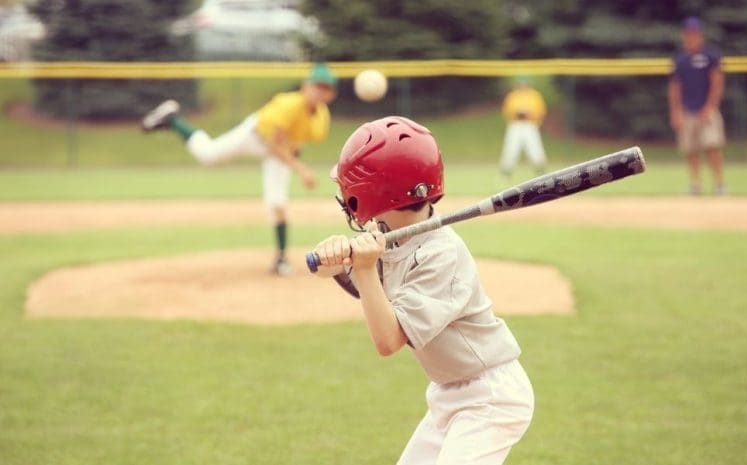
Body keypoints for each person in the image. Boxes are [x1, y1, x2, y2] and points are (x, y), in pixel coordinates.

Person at [312, 116, 534, 464]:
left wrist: (365, 266)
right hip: (449, 393)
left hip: (490, 398)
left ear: (374, 192)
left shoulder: (441, 254)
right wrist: (340, 263)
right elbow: (365, 290)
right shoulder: (391, 234)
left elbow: (388, 340)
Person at [141, 63, 338, 275]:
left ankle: (281, 260)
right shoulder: (289, 104)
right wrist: (301, 169)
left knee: (277, 202)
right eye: (316, 86)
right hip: (255, 136)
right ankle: (173, 120)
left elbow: (296, 141)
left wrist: (294, 159)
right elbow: (273, 143)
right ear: (305, 86)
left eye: (325, 88)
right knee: (208, 154)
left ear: (331, 94)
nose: (320, 92)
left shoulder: (321, 117)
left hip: (279, 151)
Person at [668, 17, 726, 195]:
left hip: (707, 110)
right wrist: (675, 112)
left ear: (700, 35)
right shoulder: (680, 59)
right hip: (687, 111)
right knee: (690, 150)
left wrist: (710, 107)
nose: (691, 37)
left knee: (712, 147)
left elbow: (717, 82)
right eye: (688, 33)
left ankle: (719, 185)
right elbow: (675, 87)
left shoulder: (710, 55)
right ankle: (695, 185)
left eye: (695, 33)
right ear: (684, 35)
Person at [498, 77, 548, 181]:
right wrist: (517, 113)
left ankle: (541, 175)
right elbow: (507, 111)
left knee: (535, 151)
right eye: (521, 84)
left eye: (525, 84)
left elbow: (541, 111)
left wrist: (531, 115)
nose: (523, 86)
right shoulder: (513, 95)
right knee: (510, 150)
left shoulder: (535, 95)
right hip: (515, 125)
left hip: (530, 125)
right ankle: (506, 175)